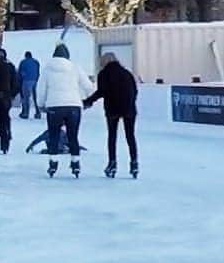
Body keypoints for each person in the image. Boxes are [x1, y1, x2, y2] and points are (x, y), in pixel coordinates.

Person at [38, 44, 94, 178]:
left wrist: (41, 105)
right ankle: (75, 163)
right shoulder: (75, 68)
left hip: (54, 107)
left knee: (54, 136)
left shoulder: (47, 69)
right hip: (73, 106)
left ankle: (53, 163)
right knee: (73, 136)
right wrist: (87, 101)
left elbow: (41, 89)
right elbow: (89, 87)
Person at [84, 52, 140, 179]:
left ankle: (112, 164)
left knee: (112, 137)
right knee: (130, 136)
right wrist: (130, 102)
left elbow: (101, 92)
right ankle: (134, 163)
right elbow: (135, 90)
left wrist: (88, 101)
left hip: (112, 109)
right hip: (129, 109)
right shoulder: (127, 73)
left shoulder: (103, 74)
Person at [16, 50, 41, 120]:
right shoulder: (36, 62)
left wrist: (19, 81)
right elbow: (38, 71)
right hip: (35, 81)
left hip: (26, 81)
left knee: (26, 97)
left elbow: (20, 72)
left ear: (25, 56)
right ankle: (38, 112)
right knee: (35, 98)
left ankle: (25, 113)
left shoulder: (23, 62)